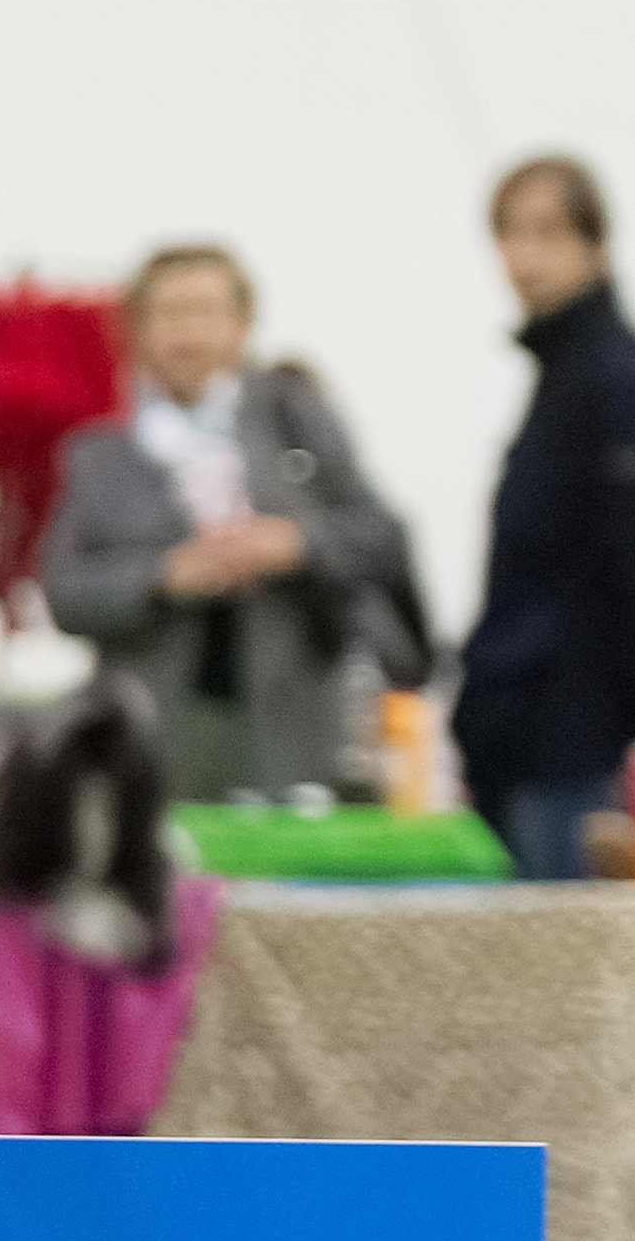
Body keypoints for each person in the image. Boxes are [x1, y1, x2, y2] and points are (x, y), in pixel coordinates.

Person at [42, 245, 422, 802]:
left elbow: (384, 536)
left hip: (295, 735)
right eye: (170, 314)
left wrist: (294, 544)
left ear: (243, 326)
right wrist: (161, 576)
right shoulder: (100, 458)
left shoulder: (295, 424)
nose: (188, 334)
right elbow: (63, 592)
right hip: (160, 739)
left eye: (205, 312)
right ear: (137, 331)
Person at [453, 156, 635, 881]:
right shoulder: (560, 374)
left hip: (576, 742)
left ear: (594, 240)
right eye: (508, 233)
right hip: (522, 733)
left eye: (547, 231)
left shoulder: (610, 378)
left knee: (567, 973)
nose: (523, 255)